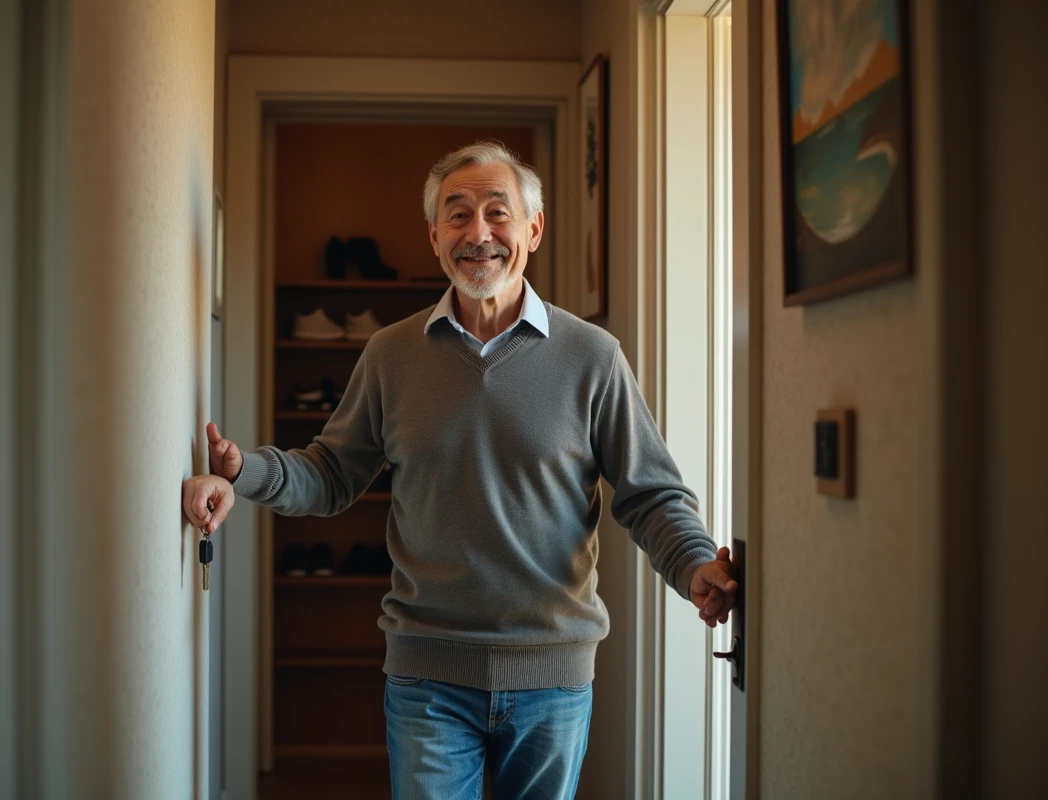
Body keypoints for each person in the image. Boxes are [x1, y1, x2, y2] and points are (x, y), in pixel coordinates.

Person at [182, 141, 737, 800]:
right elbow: (331, 472)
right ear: (434, 237)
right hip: (427, 674)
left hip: (552, 677)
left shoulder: (593, 357)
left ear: (533, 229)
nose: (479, 234)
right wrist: (242, 472)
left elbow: (651, 494)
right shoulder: (391, 354)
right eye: (458, 215)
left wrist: (696, 563)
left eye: (498, 214)